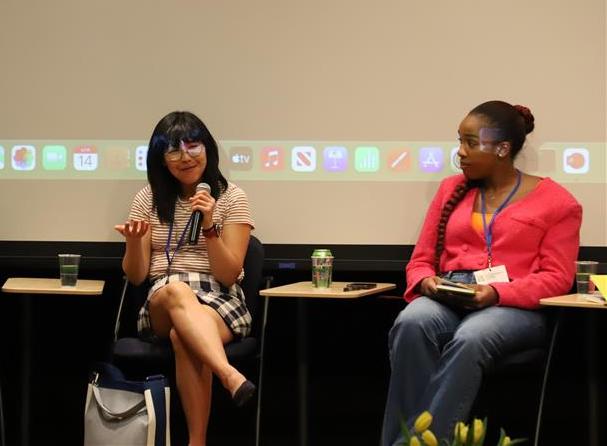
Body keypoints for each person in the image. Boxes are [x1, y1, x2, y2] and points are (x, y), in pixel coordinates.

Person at [381, 100, 582, 444]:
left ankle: (420, 442)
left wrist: (497, 293)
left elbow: (557, 278)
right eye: (459, 141)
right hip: (450, 292)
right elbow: (421, 260)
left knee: (473, 337)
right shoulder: (450, 190)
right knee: (412, 322)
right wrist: (426, 281)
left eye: (471, 143)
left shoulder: (558, 202)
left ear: (503, 149)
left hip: (513, 304)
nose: (460, 152)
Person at [114, 111, 256, 446]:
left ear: (208, 149)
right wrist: (134, 243)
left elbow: (229, 273)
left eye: (193, 147)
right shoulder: (147, 199)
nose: (185, 157)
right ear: (161, 159)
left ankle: (196, 441)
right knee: (177, 291)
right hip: (164, 295)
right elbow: (136, 277)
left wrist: (208, 226)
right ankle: (229, 375)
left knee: (184, 337)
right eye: (174, 150)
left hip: (220, 298)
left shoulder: (232, 197)